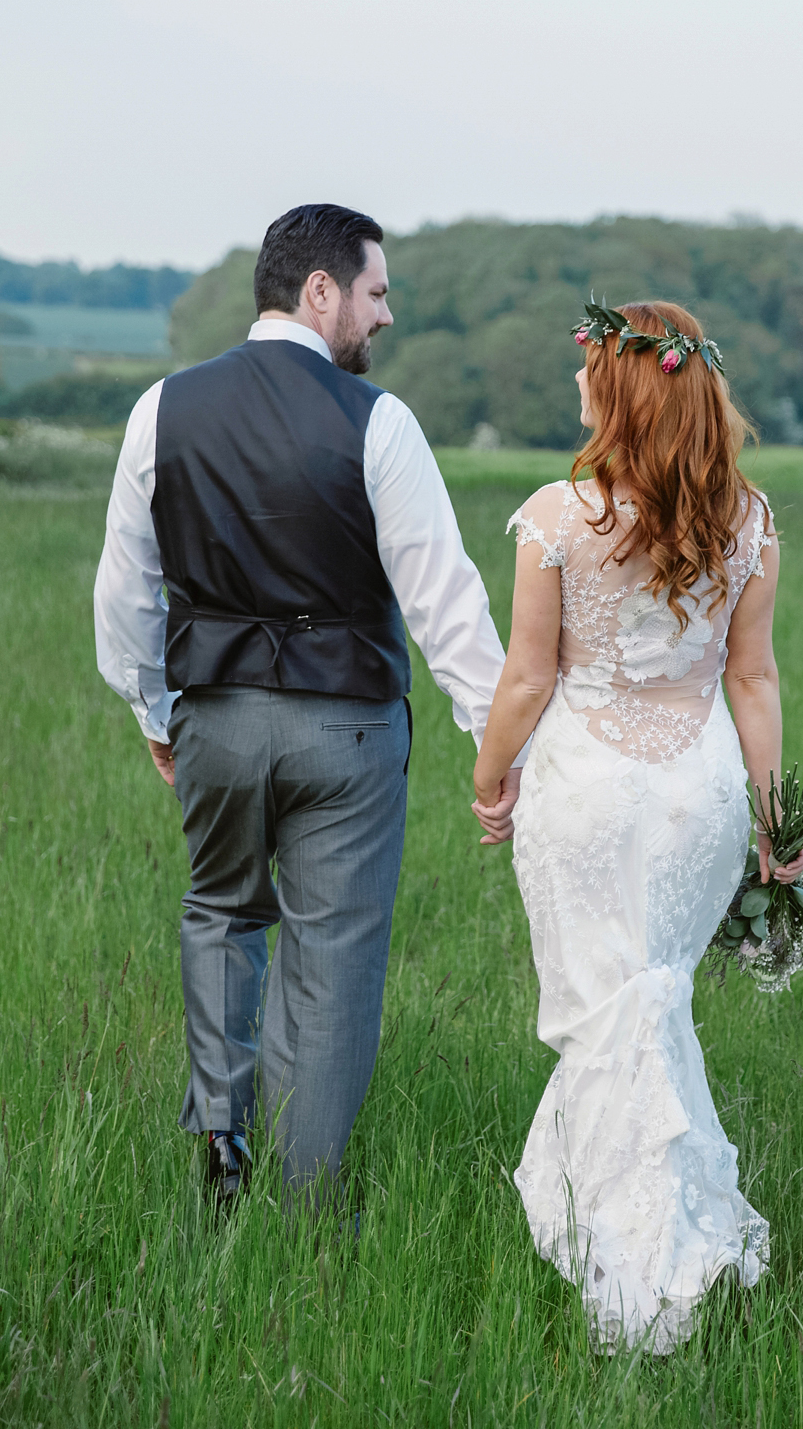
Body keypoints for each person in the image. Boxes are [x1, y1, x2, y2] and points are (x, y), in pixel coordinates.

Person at [94, 203, 520, 1215]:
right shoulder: (381, 422)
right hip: (349, 732)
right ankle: (304, 1204)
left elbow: (126, 590)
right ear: (318, 290)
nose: (383, 318)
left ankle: (224, 1156)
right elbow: (445, 603)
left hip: (216, 722)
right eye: (375, 293)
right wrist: (500, 749)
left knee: (219, 917)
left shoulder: (161, 409)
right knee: (330, 968)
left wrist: (156, 711)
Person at [471, 298, 803, 1353]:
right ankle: (652, 1236)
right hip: (695, 797)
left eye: (588, 371)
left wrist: (488, 781)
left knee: (606, 1020)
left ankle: (632, 1270)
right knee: (650, 1012)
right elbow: (751, 679)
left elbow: (528, 678)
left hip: (586, 793)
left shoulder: (558, 518)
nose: (576, 385)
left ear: (619, 389)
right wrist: (770, 821)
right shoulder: (745, 522)